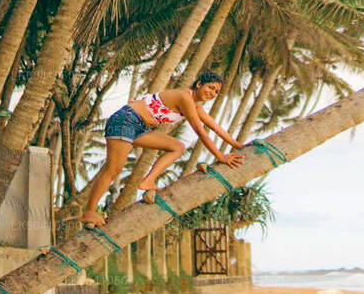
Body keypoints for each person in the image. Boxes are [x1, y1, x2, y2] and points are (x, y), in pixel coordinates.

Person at [81, 70, 244, 227]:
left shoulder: (196, 106)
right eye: (210, 87)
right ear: (199, 84)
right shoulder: (184, 97)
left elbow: (215, 127)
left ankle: (148, 181)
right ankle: (89, 212)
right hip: (126, 120)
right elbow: (200, 132)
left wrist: (238, 145)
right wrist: (220, 156)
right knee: (113, 169)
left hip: (140, 128)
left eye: (216, 92)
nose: (213, 93)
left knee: (177, 147)